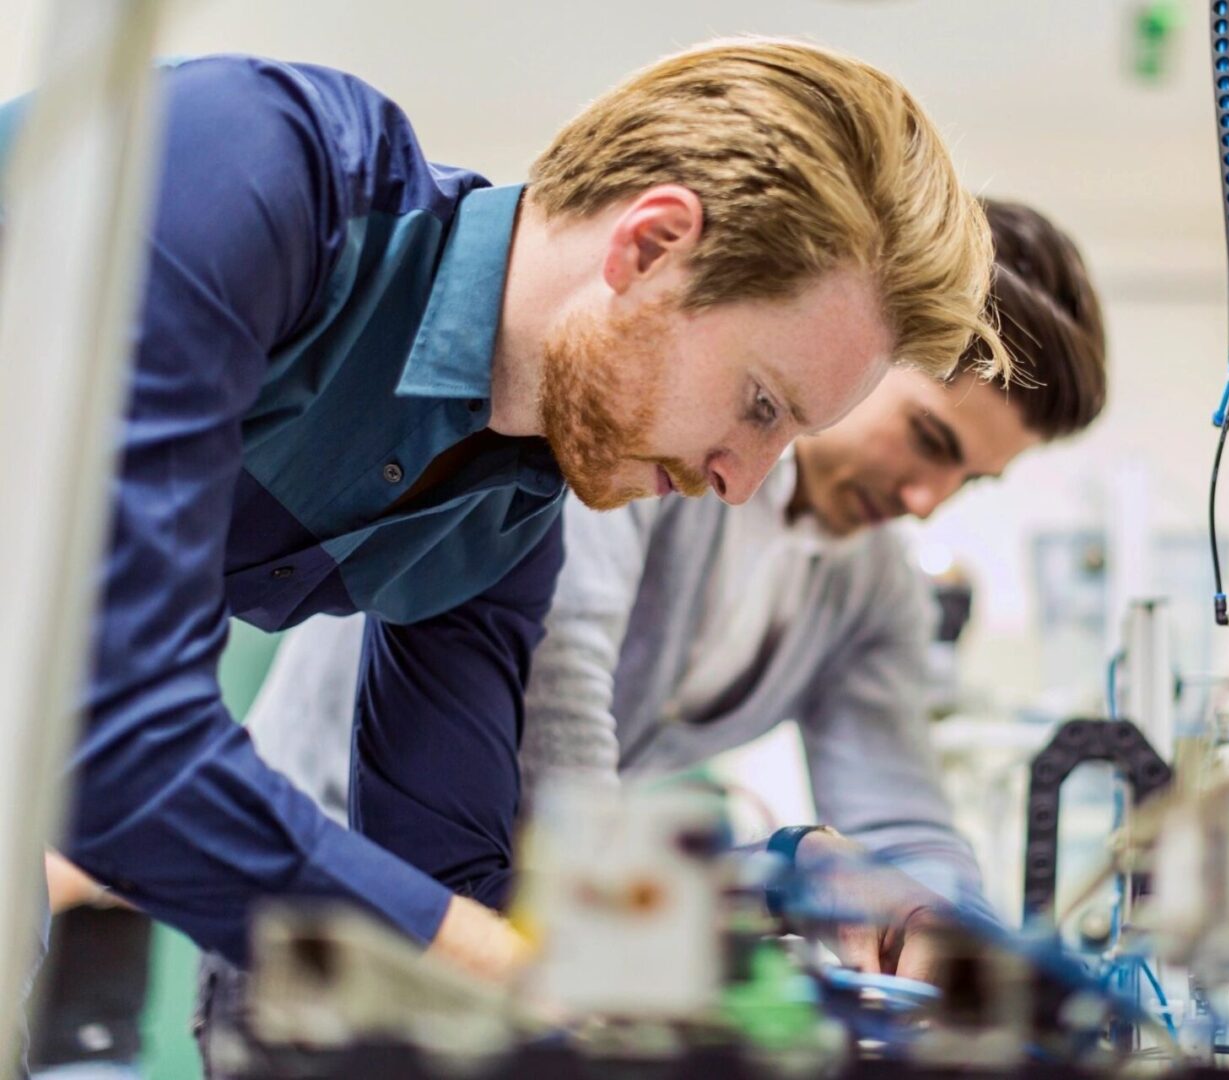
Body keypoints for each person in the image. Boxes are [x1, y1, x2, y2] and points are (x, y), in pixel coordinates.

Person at [0, 36, 1008, 1001]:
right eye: (759, 407)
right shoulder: (254, 169)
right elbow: (114, 737)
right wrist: (502, 970)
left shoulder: (505, 518)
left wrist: (785, 884)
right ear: (651, 246)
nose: (740, 482)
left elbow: (462, 888)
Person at [228, 199, 1105, 985]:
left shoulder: (872, 586)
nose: (927, 501)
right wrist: (785, 877)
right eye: (928, 441)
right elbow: (557, 763)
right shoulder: (660, 457)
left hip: (526, 915)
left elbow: (900, 813)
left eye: (971, 482)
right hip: (325, 907)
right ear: (870, 358)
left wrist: (960, 948)